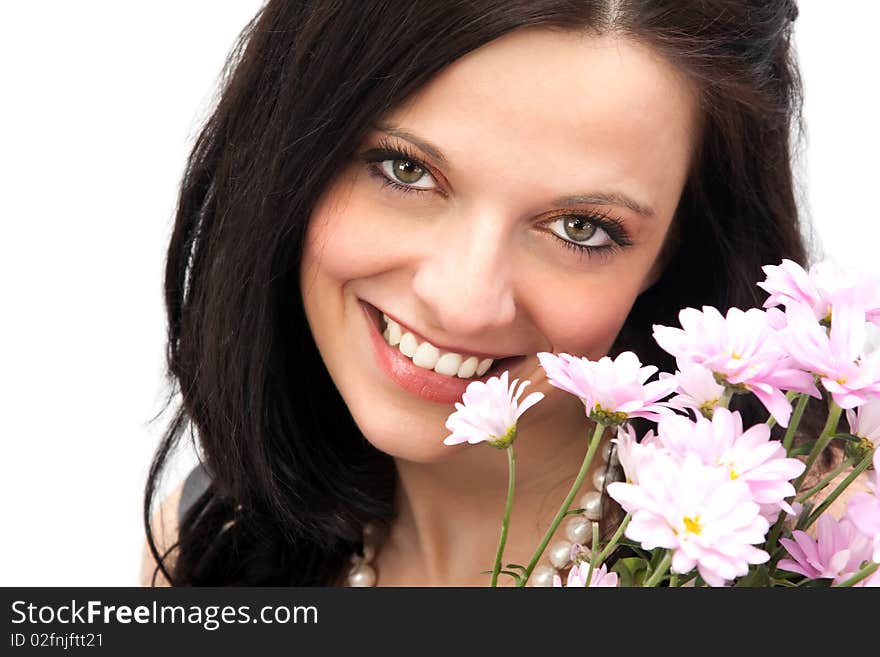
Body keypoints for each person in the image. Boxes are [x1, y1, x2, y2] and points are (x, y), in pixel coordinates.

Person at [142, 0, 822, 587]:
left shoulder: (817, 567)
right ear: (293, 152)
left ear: (673, 248)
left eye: (579, 228)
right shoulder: (208, 545)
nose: (463, 301)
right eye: (404, 169)